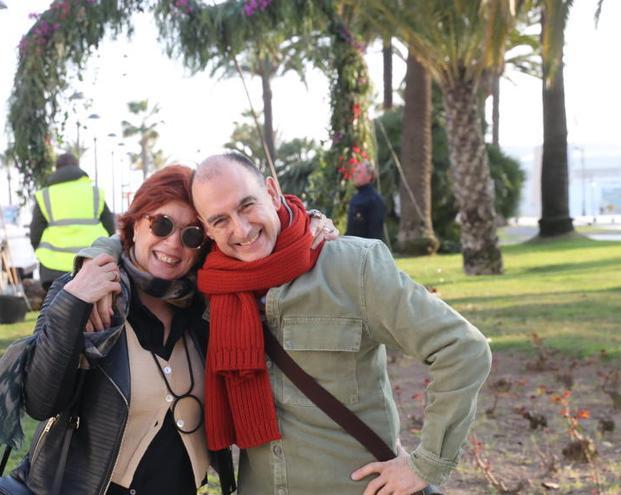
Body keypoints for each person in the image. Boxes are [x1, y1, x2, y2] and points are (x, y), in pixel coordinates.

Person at [0, 165, 336, 494]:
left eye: (191, 234)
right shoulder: (90, 293)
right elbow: (41, 401)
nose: (174, 244)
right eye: (161, 225)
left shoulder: (209, 304)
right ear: (134, 224)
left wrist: (312, 223)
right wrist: (73, 302)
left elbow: (259, 240)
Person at [185, 153, 490, 494]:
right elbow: (144, 248)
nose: (240, 229)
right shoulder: (208, 286)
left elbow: (463, 348)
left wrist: (427, 463)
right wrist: (110, 252)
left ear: (272, 192)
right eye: (220, 220)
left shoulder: (354, 267)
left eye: (247, 205)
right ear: (206, 228)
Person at [30, 152, 115, 293]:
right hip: (92, 263)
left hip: (53, 267)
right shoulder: (94, 193)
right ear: (77, 168)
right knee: (94, 313)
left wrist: (41, 253)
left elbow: (35, 232)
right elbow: (110, 228)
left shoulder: (45, 195)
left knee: (57, 313)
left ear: (56, 169)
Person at [345, 160, 386, 242]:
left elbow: (376, 235)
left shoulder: (375, 199)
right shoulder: (355, 198)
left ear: (369, 175)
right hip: (353, 248)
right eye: (355, 172)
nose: (355, 174)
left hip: (366, 251)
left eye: (359, 172)